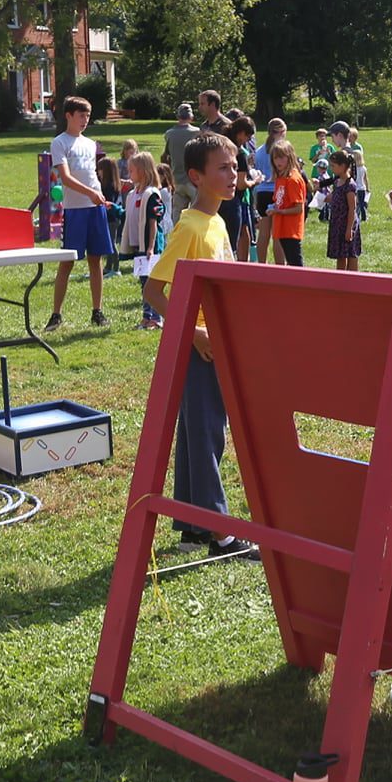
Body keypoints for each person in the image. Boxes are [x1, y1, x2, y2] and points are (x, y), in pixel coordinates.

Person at [142, 133, 256, 560]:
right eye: (223, 168)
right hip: (198, 348)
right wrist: (193, 333)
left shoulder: (219, 222)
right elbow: (154, 291)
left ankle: (193, 525)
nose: (234, 175)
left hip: (216, 343)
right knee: (208, 435)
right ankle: (222, 534)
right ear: (196, 176)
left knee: (195, 435)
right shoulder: (190, 226)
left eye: (235, 166)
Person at [48, 97, 112, 331]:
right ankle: (56, 315)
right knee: (68, 262)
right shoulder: (60, 142)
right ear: (69, 116)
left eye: (88, 115)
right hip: (75, 210)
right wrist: (90, 193)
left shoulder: (90, 143)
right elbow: (65, 178)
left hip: (95, 208)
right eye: (81, 115)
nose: (85, 120)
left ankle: (97, 311)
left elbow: (92, 174)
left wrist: (100, 195)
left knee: (96, 260)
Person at [122, 151, 169, 329]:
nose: (129, 174)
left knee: (152, 283)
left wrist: (150, 246)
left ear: (142, 171)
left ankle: (156, 318)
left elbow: (153, 222)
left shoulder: (151, 195)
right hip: (138, 247)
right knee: (143, 282)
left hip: (150, 247)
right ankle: (146, 316)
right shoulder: (134, 194)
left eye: (132, 171)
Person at [219, 115, 258, 260]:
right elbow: (241, 184)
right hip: (234, 200)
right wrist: (254, 181)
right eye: (247, 137)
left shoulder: (221, 145)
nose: (247, 141)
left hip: (217, 196)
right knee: (233, 240)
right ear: (241, 133)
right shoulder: (239, 153)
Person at [266, 139, 308, 267]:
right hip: (282, 227)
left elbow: (299, 208)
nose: (278, 161)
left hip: (291, 229)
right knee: (291, 261)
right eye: (275, 158)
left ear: (289, 157)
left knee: (295, 263)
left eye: (281, 158)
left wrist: (279, 211)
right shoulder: (281, 177)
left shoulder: (293, 179)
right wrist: (274, 208)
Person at [252, 117, 286, 263]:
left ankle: (261, 265)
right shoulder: (281, 150)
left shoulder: (260, 151)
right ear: (281, 132)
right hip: (277, 192)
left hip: (261, 193)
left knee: (263, 234)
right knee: (278, 234)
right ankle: (279, 266)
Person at [325, 149, 362, 272]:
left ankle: (352, 280)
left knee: (350, 254)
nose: (331, 168)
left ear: (342, 166)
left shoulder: (350, 185)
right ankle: (340, 280)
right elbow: (335, 196)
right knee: (340, 255)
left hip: (347, 224)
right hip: (337, 224)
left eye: (333, 166)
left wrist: (349, 229)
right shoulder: (337, 182)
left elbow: (352, 208)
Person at [163, 103, 200, 215]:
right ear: (191, 116)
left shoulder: (169, 134)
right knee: (197, 213)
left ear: (178, 116)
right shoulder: (197, 132)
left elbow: (166, 156)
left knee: (177, 213)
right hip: (193, 180)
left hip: (177, 179)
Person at [97, 156, 124, 278]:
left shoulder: (109, 186)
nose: (98, 172)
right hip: (110, 218)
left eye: (100, 169)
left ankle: (116, 268)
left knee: (111, 243)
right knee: (108, 242)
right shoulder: (109, 183)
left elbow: (109, 201)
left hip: (112, 218)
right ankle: (108, 267)